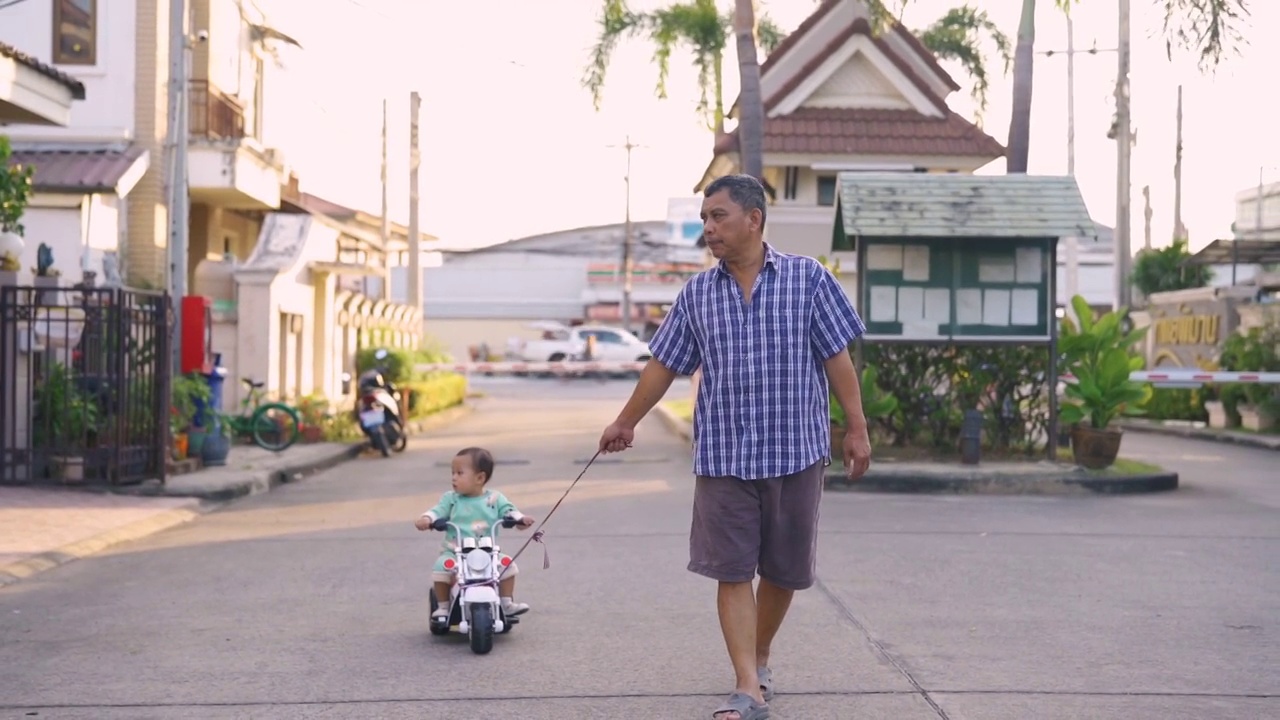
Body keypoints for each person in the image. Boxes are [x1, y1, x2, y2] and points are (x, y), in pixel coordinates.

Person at [597, 174, 872, 720]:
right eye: (704, 218)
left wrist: (857, 428)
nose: (708, 229)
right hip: (724, 456)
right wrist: (625, 420)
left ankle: (760, 653)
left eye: (717, 216)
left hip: (795, 450)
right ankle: (748, 685)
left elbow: (838, 358)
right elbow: (664, 365)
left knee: (784, 571)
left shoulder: (808, 279)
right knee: (731, 569)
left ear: (754, 219)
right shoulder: (697, 294)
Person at [414, 447, 536, 622]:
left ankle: (506, 603)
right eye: (452, 473)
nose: (453, 477)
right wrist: (427, 519)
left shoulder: (495, 498)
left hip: (488, 551)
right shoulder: (451, 499)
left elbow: (509, 511)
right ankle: (442, 607)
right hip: (456, 552)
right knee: (442, 567)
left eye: (459, 473)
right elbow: (437, 511)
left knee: (508, 564)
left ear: (480, 478)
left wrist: (520, 519)